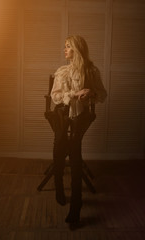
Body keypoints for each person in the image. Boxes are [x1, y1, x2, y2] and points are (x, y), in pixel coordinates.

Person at [51, 35, 107, 224]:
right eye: (65, 46)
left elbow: (102, 94)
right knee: (59, 148)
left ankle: (76, 205)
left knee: (75, 154)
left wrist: (90, 93)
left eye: (68, 46)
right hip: (62, 115)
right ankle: (59, 186)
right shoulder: (62, 72)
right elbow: (55, 97)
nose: (64, 49)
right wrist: (73, 94)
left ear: (77, 49)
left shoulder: (91, 71)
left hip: (80, 117)